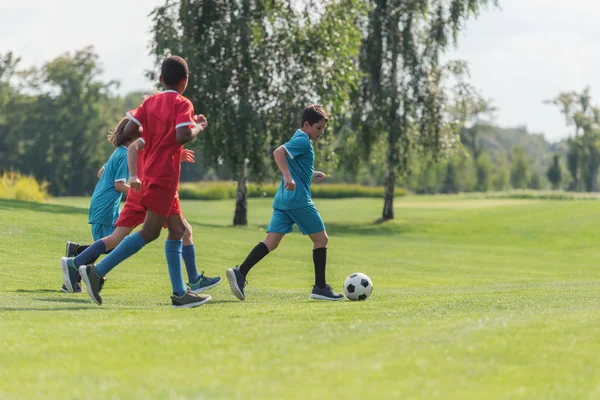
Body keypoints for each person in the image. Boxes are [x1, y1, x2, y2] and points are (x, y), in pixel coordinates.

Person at [78, 55, 211, 308]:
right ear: (185, 81)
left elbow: (128, 131)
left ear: (161, 79)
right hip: (164, 177)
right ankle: (97, 272)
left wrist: (154, 134)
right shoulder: (183, 103)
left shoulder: (150, 101)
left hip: (153, 176)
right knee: (149, 232)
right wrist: (199, 126)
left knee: (178, 230)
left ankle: (181, 292)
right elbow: (183, 134)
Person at [60, 137, 221, 295]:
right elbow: (145, 160)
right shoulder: (148, 134)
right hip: (151, 193)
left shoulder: (130, 146)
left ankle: (76, 262)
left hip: (138, 196)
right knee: (183, 230)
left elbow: (108, 171)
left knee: (116, 239)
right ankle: (192, 283)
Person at [226, 105, 344, 301]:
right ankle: (320, 288)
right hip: (298, 200)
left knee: (271, 242)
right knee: (321, 240)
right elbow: (278, 153)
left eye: (322, 129)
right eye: (318, 128)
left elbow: (293, 162)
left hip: (283, 200)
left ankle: (240, 272)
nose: (321, 133)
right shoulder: (303, 140)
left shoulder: (300, 138)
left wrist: (310, 174)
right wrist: (287, 175)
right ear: (307, 124)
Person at [60, 118, 132, 293]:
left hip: (104, 203)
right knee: (111, 245)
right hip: (106, 206)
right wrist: (140, 194)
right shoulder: (125, 155)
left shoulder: (118, 152)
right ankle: (75, 254)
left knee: (110, 243)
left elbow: (101, 173)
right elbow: (119, 184)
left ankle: (72, 278)